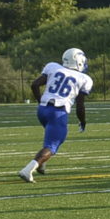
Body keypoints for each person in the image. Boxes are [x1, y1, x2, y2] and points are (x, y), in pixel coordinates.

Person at [19, 47, 90, 181]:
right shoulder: (84, 78)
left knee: (52, 137)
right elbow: (80, 105)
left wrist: (41, 101)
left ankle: (42, 164)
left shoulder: (53, 67)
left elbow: (35, 85)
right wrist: (82, 120)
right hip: (58, 112)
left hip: (42, 110)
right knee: (53, 145)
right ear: (79, 61)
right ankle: (28, 170)